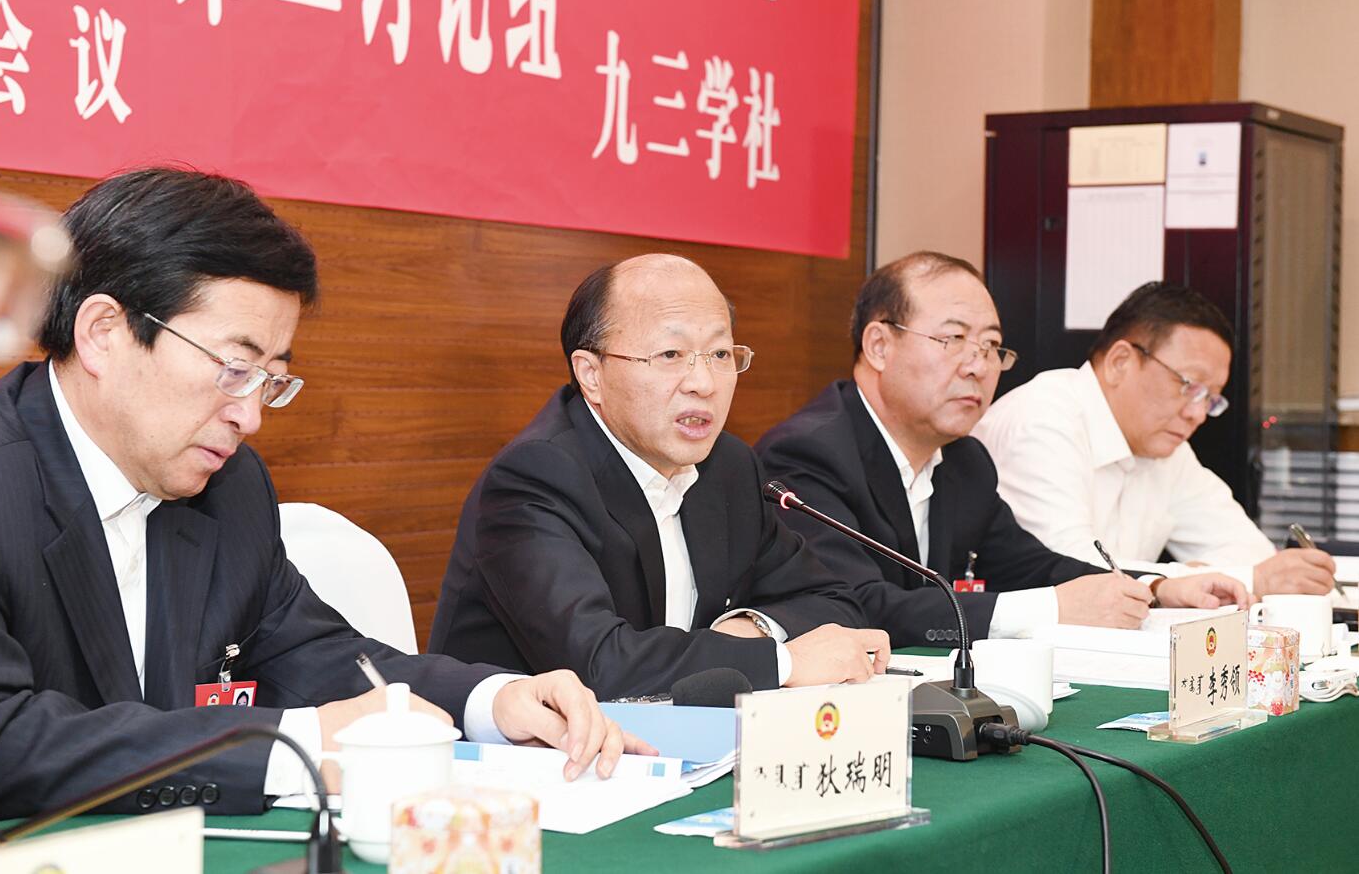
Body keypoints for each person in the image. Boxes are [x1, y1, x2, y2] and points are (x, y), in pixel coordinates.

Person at [0, 168, 646, 825]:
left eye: (270, 380)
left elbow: (315, 656)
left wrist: (493, 701)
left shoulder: (230, 489)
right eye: (235, 369)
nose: (250, 417)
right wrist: (291, 747)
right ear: (104, 334)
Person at [429, 254, 889, 699]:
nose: (703, 383)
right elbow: (598, 665)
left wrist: (753, 629)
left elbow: (834, 601)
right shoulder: (537, 476)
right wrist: (781, 661)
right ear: (591, 374)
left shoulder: (728, 466)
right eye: (670, 354)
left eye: (719, 353)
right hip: (526, 746)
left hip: (678, 735)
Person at [756, 253, 1249, 647]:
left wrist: (1154, 589)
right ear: (879, 346)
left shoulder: (964, 461)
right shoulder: (807, 455)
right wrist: (1052, 607)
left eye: (991, 346)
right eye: (953, 339)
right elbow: (855, 606)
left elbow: (1034, 567)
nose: (978, 366)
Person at [975, 281, 1335, 595]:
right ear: (1120, 362)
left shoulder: (1164, 447)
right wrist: (1212, 579)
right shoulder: (1042, 420)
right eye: (1189, 386)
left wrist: (1217, 576)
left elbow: (1252, 553)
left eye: (1210, 399)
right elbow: (1072, 572)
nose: (1197, 414)